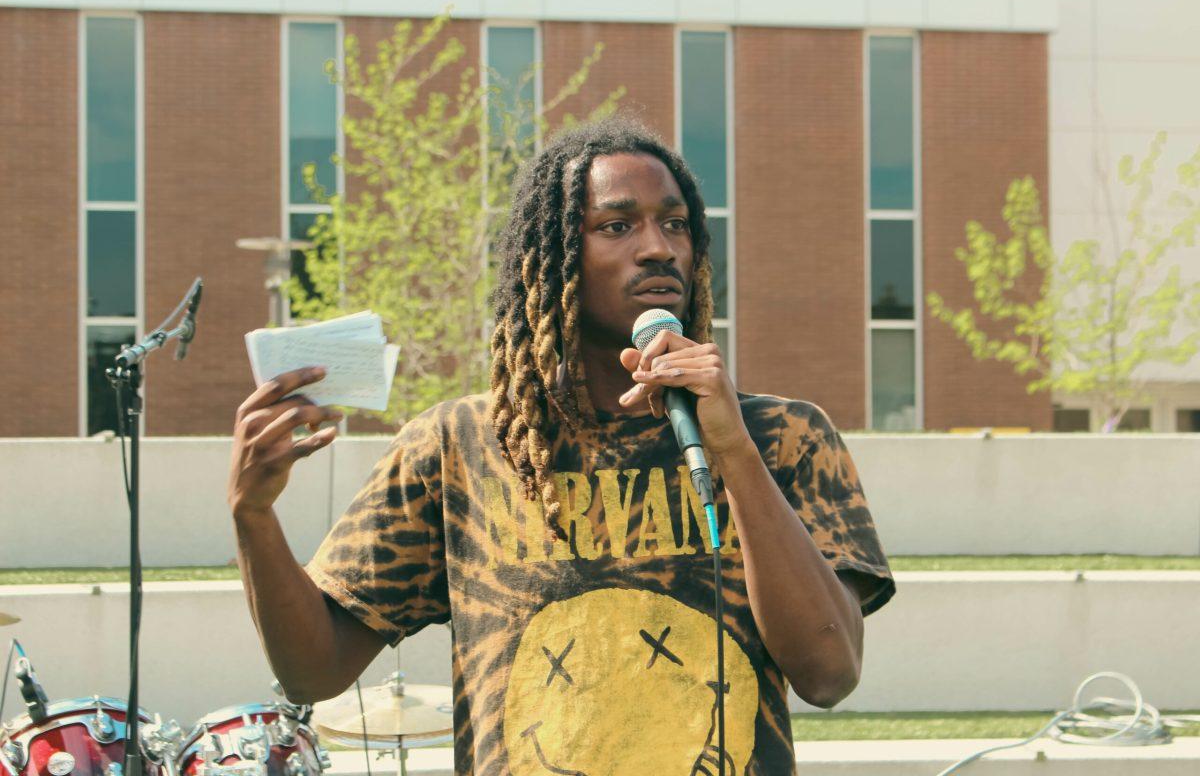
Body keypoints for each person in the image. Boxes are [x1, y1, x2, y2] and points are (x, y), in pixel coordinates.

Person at [228, 117, 894, 775]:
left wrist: (735, 452)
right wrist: (253, 516)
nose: (659, 247)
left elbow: (830, 674)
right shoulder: (458, 447)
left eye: (676, 223)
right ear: (548, 262)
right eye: (618, 225)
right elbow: (313, 672)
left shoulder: (785, 437)